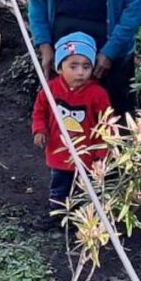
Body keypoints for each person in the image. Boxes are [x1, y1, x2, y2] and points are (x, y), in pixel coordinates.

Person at [31, 31, 111, 207]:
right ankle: (57, 215)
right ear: (59, 67)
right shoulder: (50, 89)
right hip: (59, 152)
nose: (80, 72)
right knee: (59, 187)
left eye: (86, 66)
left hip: (87, 156)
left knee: (85, 191)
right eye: (73, 67)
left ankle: (82, 222)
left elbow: (106, 125)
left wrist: (102, 153)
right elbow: (39, 111)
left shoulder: (98, 94)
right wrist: (39, 130)